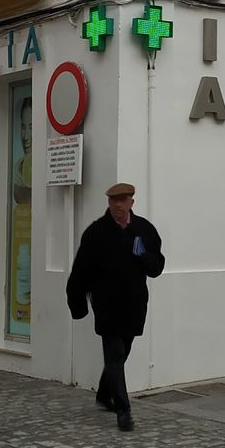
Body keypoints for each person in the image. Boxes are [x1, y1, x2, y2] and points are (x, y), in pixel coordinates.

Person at [65, 182, 165, 432]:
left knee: (124, 348)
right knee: (115, 352)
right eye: (113, 201)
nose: (118, 205)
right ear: (108, 203)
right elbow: (80, 271)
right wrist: (77, 303)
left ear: (132, 202)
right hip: (106, 303)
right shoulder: (96, 232)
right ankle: (123, 410)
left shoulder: (144, 229)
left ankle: (104, 392)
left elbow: (156, 268)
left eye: (123, 200)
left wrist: (142, 256)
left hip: (134, 302)